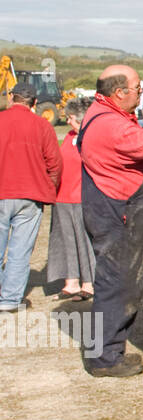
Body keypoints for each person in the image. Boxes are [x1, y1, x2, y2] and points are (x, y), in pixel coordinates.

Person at [78, 65, 143, 377]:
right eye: (136, 87)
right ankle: (104, 358)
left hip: (113, 209)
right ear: (119, 93)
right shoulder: (111, 126)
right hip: (117, 213)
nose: (141, 92)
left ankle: (109, 351)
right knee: (115, 284)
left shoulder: (104, 115)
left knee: (118, 283)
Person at [0, 82, 62, 312]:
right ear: (34, 103)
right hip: (30, 195)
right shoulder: (42, 125)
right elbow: (55, 163)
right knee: (20, 250)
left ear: (11, 99)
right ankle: (9, 300)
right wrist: (49, 187)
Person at [49, 97, 95, 301]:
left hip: (82, 197)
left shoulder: (91, 137)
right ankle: (71, 282)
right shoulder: (69, 136)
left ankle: (89, 282)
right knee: (66, 240)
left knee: (84, 242)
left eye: (71, 118)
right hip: (62, 197)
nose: (68, 122)